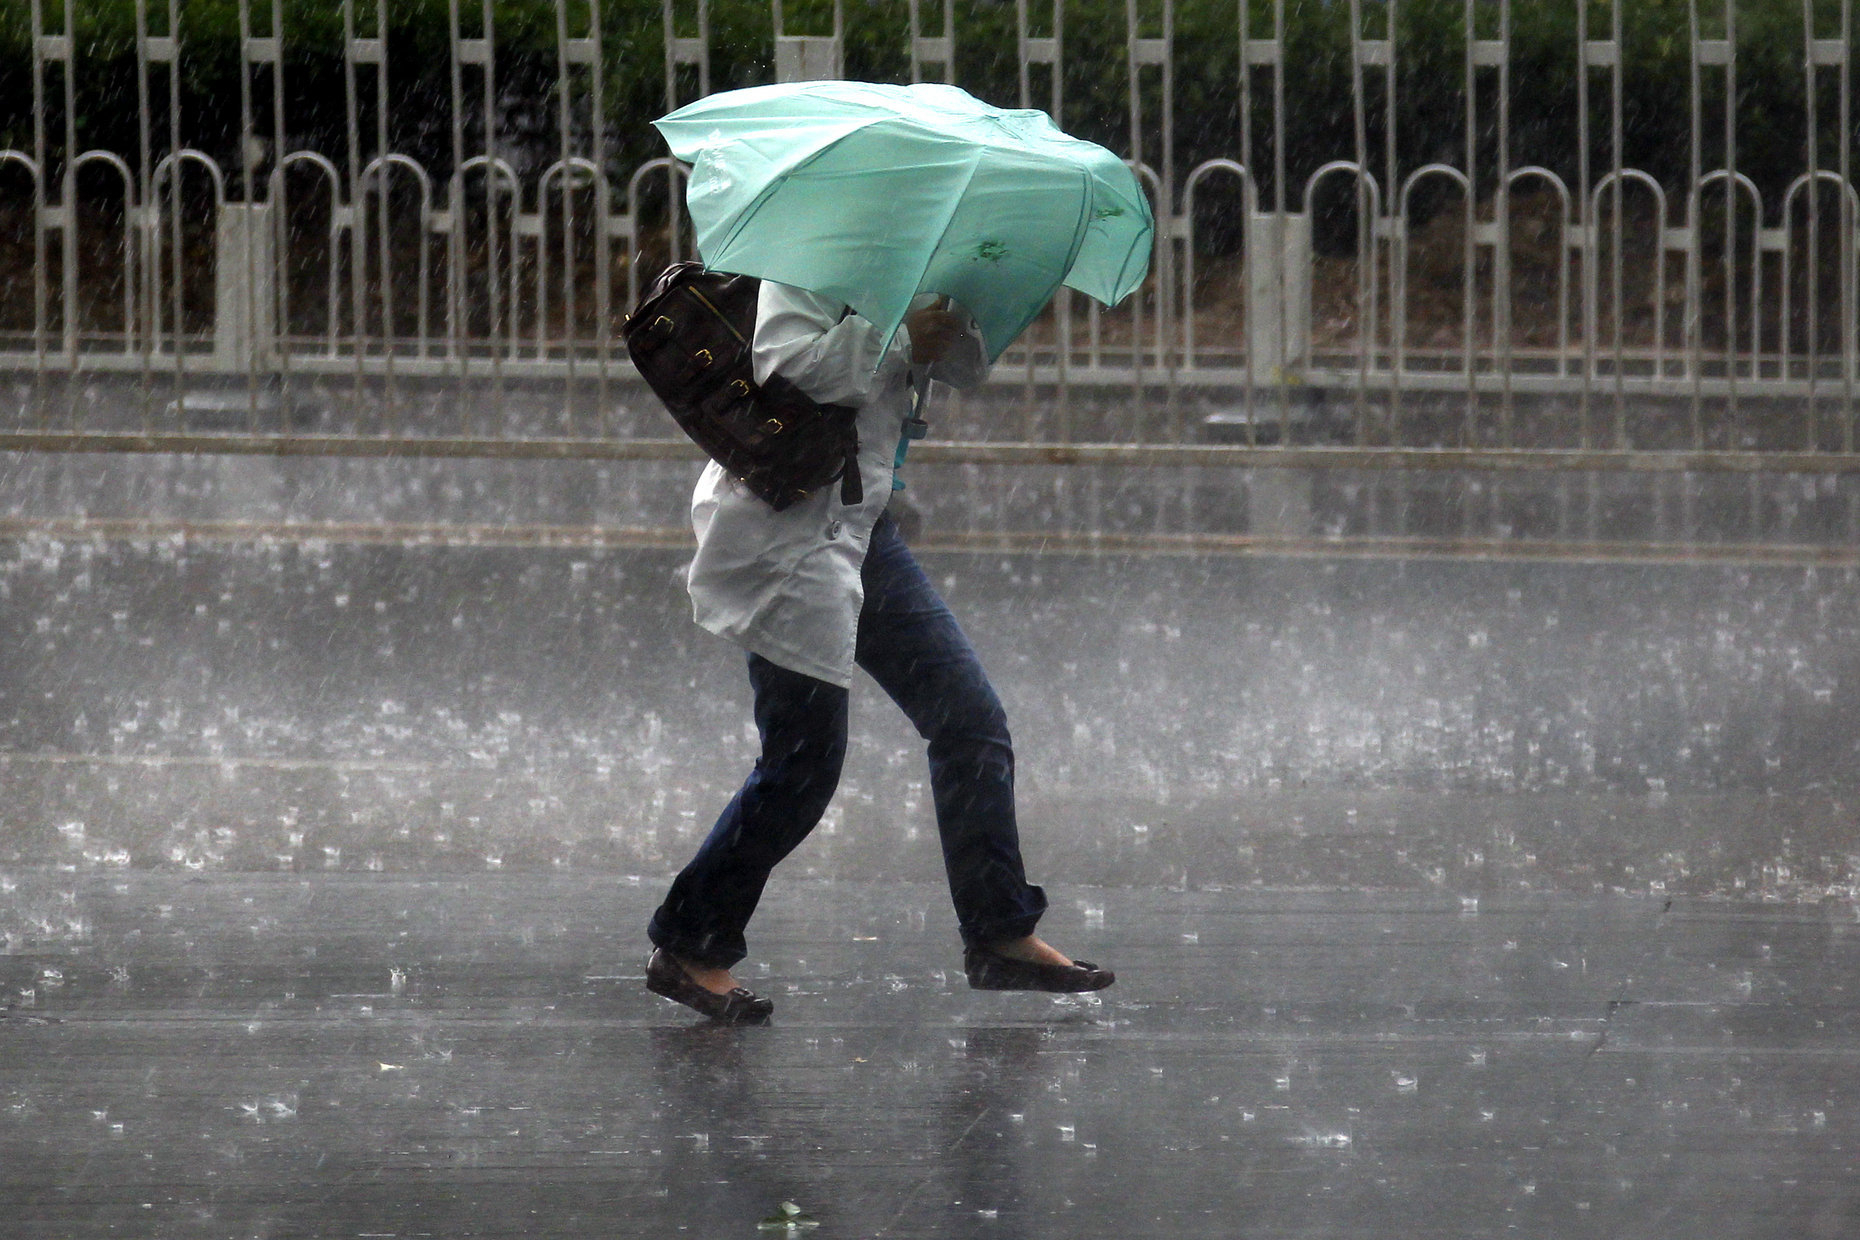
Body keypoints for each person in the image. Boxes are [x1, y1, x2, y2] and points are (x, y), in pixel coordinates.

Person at [645, 280, 1114, 1022]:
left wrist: (950, 320)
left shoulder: (916, 251)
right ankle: (690, 942)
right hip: (790, 528)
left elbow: (961, 370)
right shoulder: (808, 252)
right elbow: (783, 365)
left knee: (968, 721)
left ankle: (999, 932)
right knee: (801, 766)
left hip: (864, 529)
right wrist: (897, 339)